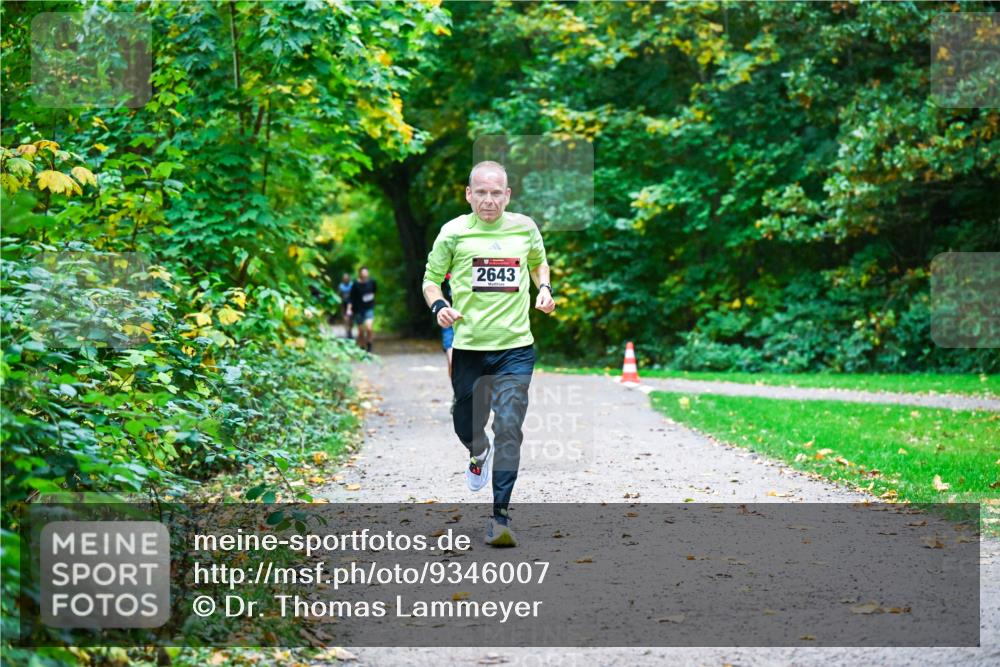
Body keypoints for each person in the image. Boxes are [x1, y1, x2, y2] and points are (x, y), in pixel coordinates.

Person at [422, 161, 555, 547]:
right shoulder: (454, 233)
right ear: (469, 194)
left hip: (516, 347)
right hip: (469, 348)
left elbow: (538, 263)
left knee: (509, 427)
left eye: (496, 193)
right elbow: (430, 280)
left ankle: (500, 518)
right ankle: (477, 450)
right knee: (465, 422)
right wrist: (439, 306)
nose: (489, 200)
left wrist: (544, 289)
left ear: (507, 195)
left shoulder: (524, 228)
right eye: (481, 192)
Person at [346, 267, 376, 353]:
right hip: (358, 310)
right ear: (360, 274)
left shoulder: (372, 282)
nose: (365, 274)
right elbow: (351, 298)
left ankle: (369, 345)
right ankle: (362, 347)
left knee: (369, 327)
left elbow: (374, 292)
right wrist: (349, 309)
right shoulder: (355, 284)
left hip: (369, 308)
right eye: (363, 273)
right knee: (361, 331)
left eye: (366, 272)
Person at [441, 272, 454, 378]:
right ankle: (455, 386)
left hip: (467, 320)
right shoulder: (443, 274)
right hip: (449, 320)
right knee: (452, 362)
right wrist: (442, 301)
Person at [337, 273, 354, 339]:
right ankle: (347, 332)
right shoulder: (340, 286)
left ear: (349, 278)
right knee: (346, 318)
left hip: (351, 304)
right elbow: (338, 295)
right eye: (344, 278)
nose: (346, 279)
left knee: (351, 319)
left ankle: (350, 331)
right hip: (343, 304)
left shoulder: (352, 285)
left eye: (347, 278)